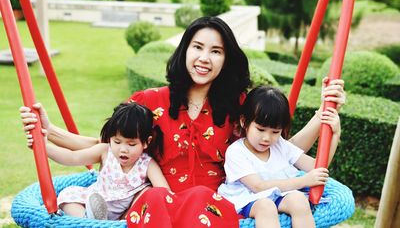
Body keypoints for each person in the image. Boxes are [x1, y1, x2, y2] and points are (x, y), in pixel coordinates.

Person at [20, 16, 346, 227]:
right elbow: (106, 146)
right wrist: (49, 131)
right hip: (156, 208)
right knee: (156, 198)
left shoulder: (239, 108)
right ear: (184, 50)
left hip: (213, 208)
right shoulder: (151, 101)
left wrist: (324, 115)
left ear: (226, 59)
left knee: (201, 200)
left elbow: (280, 148)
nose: (204, 58)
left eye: (216, 51)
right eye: (197, 47)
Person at [218, 86, 341, 228]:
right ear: (244, 121)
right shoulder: (237, 152)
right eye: (260, 129)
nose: (267, 138)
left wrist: (335, 135)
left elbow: (315, 167)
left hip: (277, 195)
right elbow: (258, 187)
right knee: (266, 207)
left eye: (275, 132)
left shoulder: (279, 145)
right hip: (248, 198)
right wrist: (304, 181)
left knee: (299, 200)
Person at [25, 102, 169, 220]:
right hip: (94, 203)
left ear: (146, 142)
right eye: (117, 141)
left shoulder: (147, 164)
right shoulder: (105, 151)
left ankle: (118, 221)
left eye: (131, 144)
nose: (123, 149)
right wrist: (43, 148)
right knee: (67, 196)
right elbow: (72, 157)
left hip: (125, 213)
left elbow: (164, 192)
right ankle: (88, 220)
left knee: (149, 191)